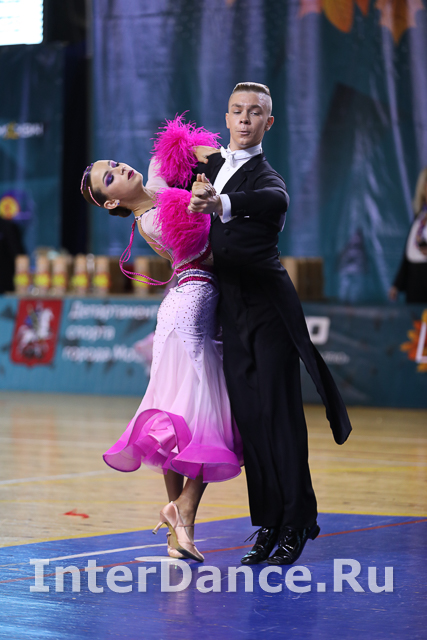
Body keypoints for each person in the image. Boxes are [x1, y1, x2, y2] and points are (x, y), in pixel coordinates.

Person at [188, 82, 352, 566]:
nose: (244, 119)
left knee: (280, 418)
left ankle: (298, 521)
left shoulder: (268, 178)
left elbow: (271, 201)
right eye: (237, 110)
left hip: (269, 308)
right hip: (230, 309)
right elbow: (168, 173)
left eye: (254, 112)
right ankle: (268, 522)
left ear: (269, 122)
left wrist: (219, 204)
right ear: (226, 117)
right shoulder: (209, 165)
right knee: (251, 421)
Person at [80, 121, 243, 562]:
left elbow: (172, 149)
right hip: (193, 305)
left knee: (179, 418)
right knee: (203, 417)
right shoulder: (154, 216)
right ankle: (183, 509)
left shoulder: (155, 184)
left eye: (115, 163)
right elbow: (210, 244)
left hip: (186, 306)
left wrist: (202, 150)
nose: (120, 168)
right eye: (110, 176)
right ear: (111, 202)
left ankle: (180, 530)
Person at [389, 167, 427, 303]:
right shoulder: (419, 217)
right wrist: (396, 285)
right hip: (414, 281)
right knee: (414, 315)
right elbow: (407, 255)